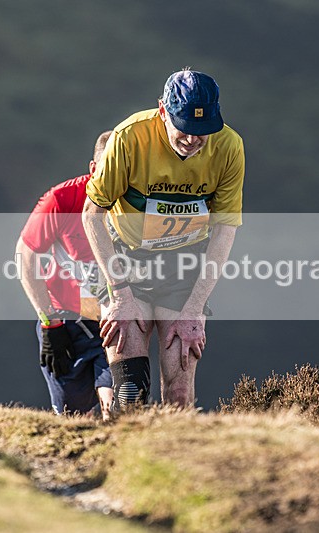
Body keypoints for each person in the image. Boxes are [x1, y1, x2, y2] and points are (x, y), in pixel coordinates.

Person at [82, 69, 245, 409]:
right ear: (162, 111)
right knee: (129, 394)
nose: (192, 139)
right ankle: (122, 459)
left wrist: (195, 307)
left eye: (203, 132)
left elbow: (225, 229)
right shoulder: (129, 137)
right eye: (184, 127)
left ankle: (171, 460)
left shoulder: (229, 147)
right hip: (126, 259)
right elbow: (91, 214)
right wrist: (119, 292)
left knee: (179, 394)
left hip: (184, 264)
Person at [17, 131, 114, 419]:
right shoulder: (61, 199)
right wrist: (50, 323)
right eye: (110, 168)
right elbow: (25, 255)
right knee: (74, 419)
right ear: (94, 168)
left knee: (120, 407)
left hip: (115, 321)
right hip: (66, 322)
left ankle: (124, 459)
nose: (118, 177)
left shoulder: (137, 201)